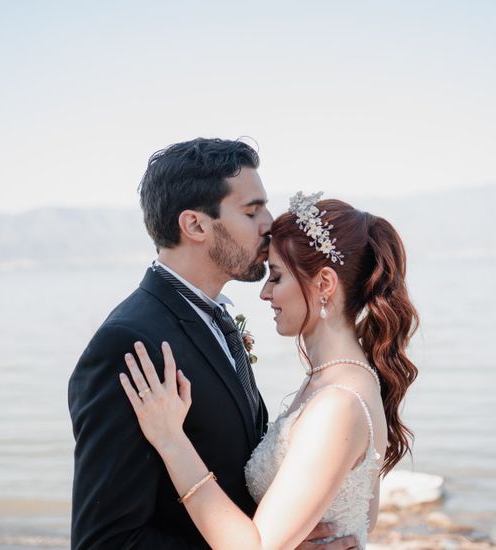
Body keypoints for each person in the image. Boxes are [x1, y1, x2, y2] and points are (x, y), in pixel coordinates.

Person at [68, 139, 359, 549]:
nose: (270, 223)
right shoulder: (130, 342)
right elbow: (104, 541)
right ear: (196, 226)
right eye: (251, 210)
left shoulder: (217, 319)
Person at [119, 192, 420, 549]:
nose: (264, 293)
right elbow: (363, 517)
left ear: (324, 284)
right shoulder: (343, 379)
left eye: (276, 277)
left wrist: (171, 440)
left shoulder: (338, 404)